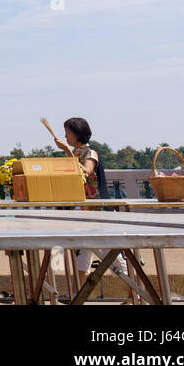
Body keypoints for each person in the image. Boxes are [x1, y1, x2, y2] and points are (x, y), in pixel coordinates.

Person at [58, 117, 130, 281]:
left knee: (109, 253)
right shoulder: (77, 153)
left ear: (77, 134)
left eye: (67, 133)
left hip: (98, 209)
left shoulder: (91, 153)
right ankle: (79, 294)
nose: (65, 136)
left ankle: (135, 294)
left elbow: (86, 171)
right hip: (85, 210)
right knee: (84, 252)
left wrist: (67, 152)